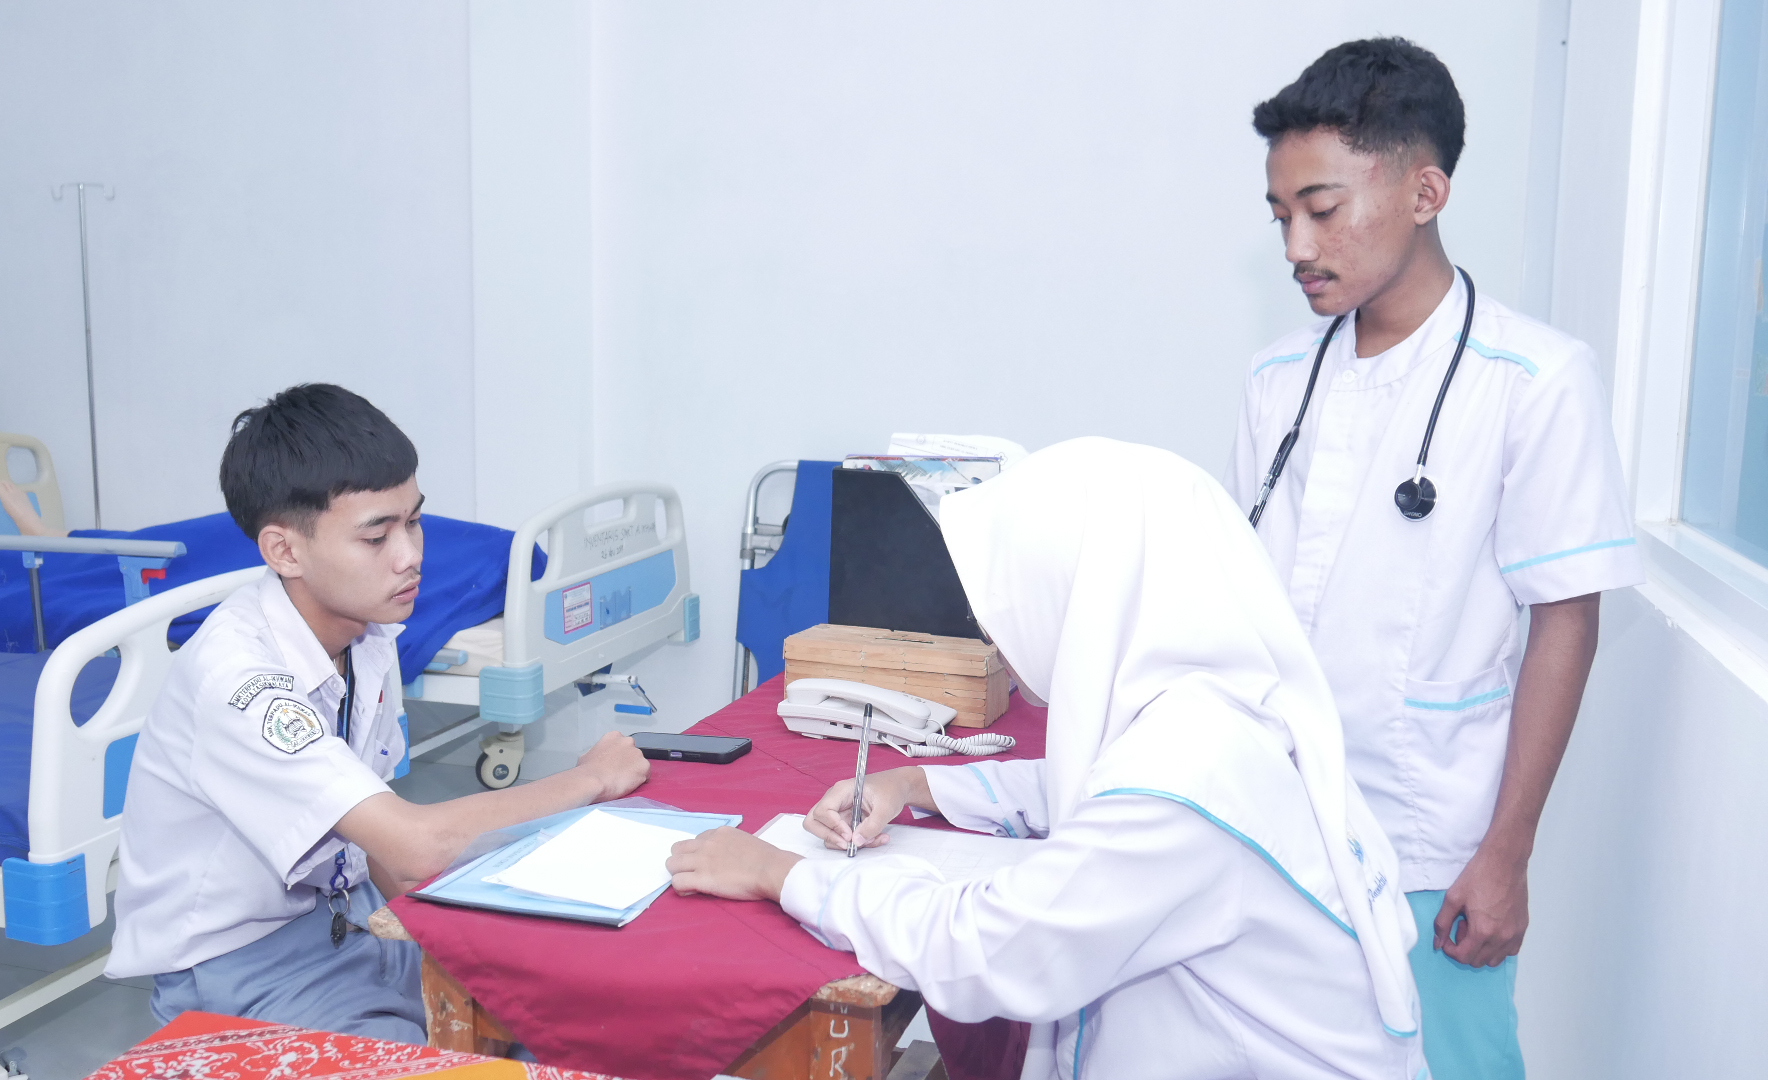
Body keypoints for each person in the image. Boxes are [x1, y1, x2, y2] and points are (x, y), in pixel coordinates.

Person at [670, 438, 1426, 1080]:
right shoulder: (1215, 713)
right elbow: (1087, 787)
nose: (991, 635)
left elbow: (985, 951)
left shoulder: (1186, 785)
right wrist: (915, 782)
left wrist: (780, 874)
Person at [1229, 39, 1643, 1080]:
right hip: (1273, 831)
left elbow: (1567, 619)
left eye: (1322, 209)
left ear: (1426, 192)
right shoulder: (1277, 381)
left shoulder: (1534, 380)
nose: (1297, 245)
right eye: (1280, 217)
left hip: (1429, 843)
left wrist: (1507, 852)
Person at [105, 383, 649, 1041]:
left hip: (356, 922)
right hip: (242, 974)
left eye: (413, 521)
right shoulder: (241, 683)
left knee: (573, 1010)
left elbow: (381, 842)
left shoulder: (368, 634)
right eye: (376, 536)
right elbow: (415, 845)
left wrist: (453, 938)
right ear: (285, 551)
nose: (410, 555)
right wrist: (589, 780)